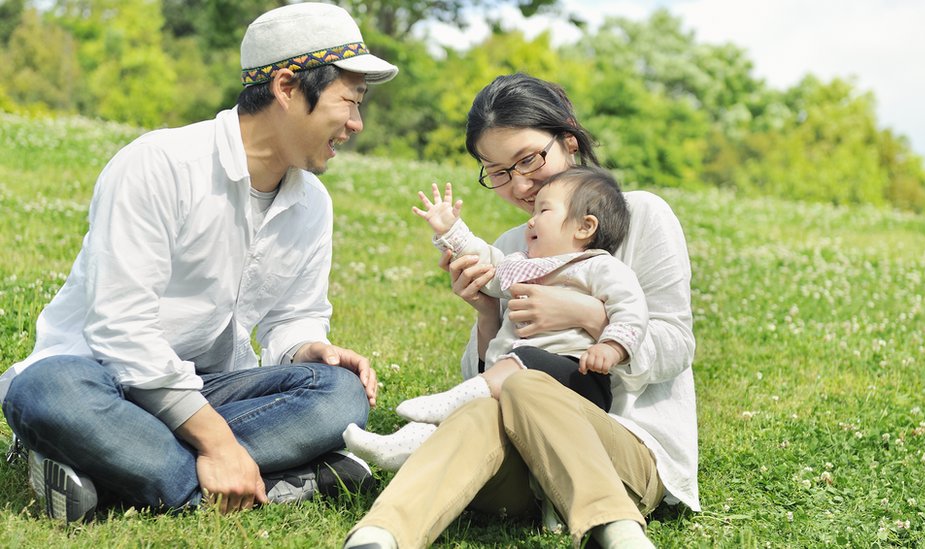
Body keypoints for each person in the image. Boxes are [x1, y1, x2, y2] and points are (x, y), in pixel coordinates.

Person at [0, 2, 397, 523]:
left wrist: (308, 347)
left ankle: (110, 472)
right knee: (46, 392)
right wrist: (216, 442)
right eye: (349, 102)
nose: (356, 123)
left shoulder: (312, 203)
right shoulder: (159, 164)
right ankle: (269, 483)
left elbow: (291, 319)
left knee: (339, 395)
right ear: (286, 87)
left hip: (207, 383)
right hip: (100, 376)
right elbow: (120, 330)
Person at [344, 73, 699, 549]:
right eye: (499, 171)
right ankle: (378, 536)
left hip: (624, 456)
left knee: (528, 381)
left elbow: (676, 344)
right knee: (479, 411)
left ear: (568, 140)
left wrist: (590, 317)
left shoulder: (642, 217)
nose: (520, 184)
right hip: (523, 473)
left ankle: (615, 531)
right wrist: (486, 315)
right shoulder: (516, 248)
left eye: (528, 159)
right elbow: (487, 381)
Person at [343, 167, 649, 469]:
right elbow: (485, 262)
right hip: (514, 381)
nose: (531, 219)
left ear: (584, 227)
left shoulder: (599, 268)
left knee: (522, 360)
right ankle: (400, 446)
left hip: (577, 379)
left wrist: (610, 347)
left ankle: (461, 396)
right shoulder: (525, 265)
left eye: (544, 210)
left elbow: (632, 313)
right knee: (476, 414)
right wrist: (451, 230)